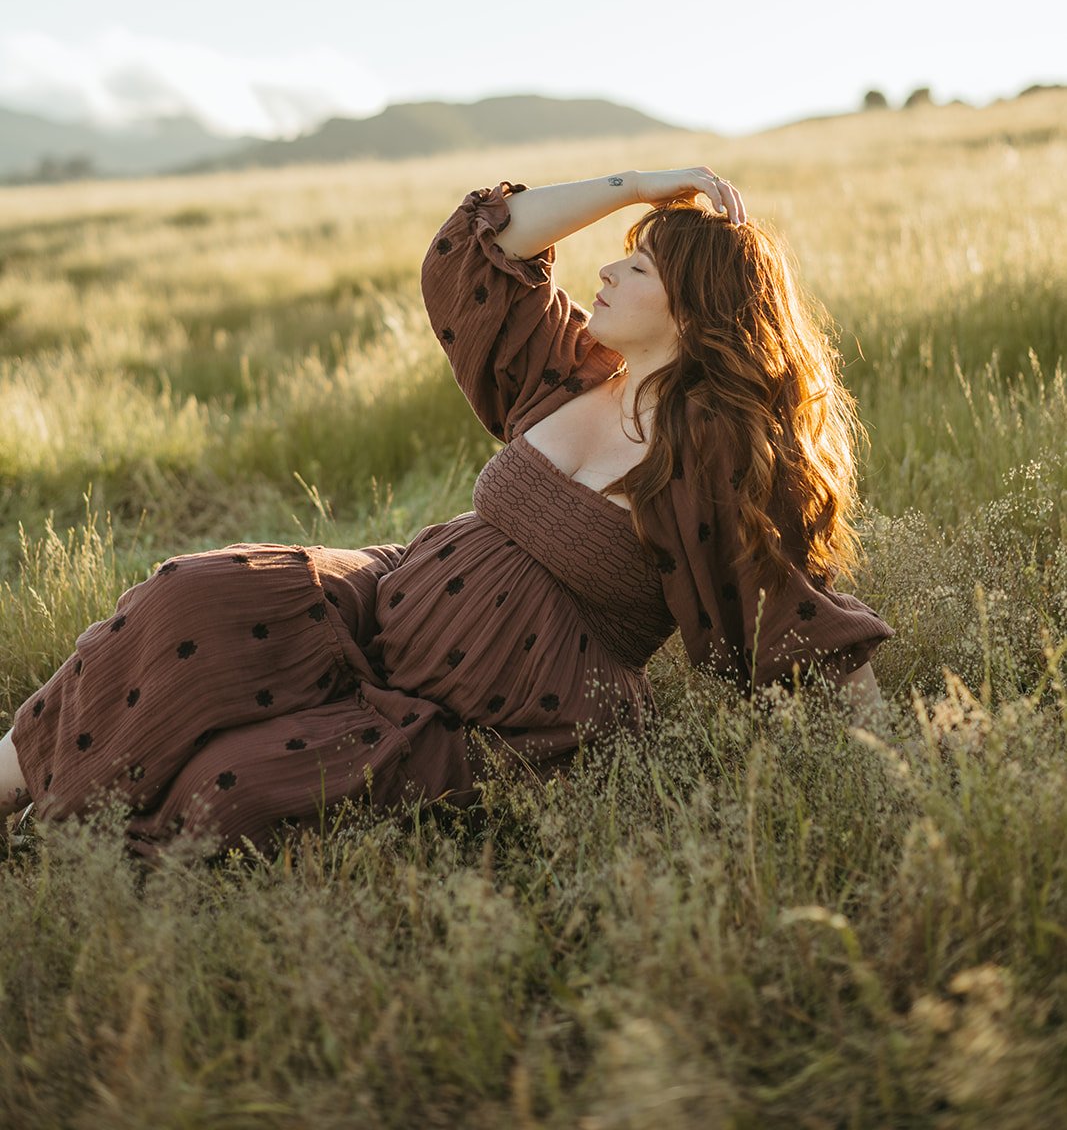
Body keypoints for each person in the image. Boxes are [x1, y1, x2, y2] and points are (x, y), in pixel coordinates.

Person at [0, 167, 893, 860]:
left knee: (225, 791)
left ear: (696, 311)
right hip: (383, 603)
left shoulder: (716, 452)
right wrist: (642, 183)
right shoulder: (571, 374)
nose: (609, 268)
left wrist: (899, 766)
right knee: (193, 595)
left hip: (482, 716)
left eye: (640, 263)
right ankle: (12, 783)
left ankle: (67, 838)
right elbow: (480, 248)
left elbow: (794, 617)